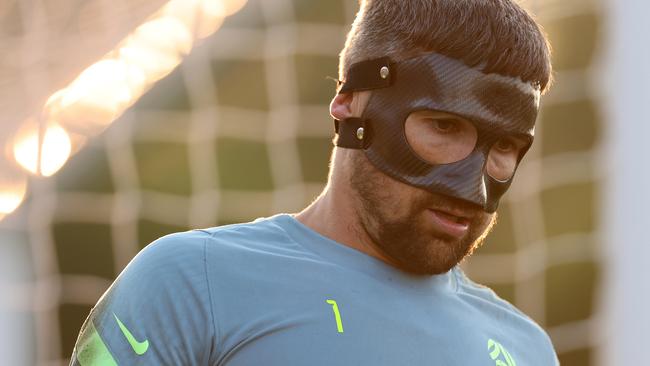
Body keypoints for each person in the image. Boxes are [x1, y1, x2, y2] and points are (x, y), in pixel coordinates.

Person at [70, 0, 557, 365]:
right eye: (444, 127)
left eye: (505, 147)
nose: (470, 185)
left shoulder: (527, 349)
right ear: (350, 105)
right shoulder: (191, 283)